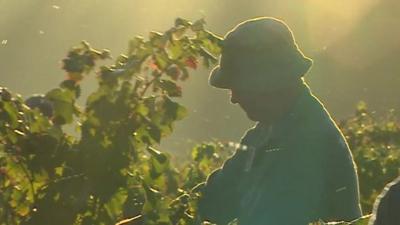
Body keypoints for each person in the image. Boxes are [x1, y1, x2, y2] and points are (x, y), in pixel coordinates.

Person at [197, 17, 362, 225]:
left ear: (265, 83)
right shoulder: (262, 135)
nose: (234, 97)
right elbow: (214, 201)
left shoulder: (307, 143)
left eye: (238, 86)